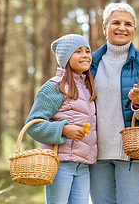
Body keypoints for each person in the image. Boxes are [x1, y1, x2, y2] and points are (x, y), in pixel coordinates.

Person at [89, 2, 139, 204]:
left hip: (135, 153)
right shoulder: (90, 63)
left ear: (134, 30)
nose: (122, 28)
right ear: (105, 28)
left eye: (128, 23)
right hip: (97, 154)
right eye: (116, 22)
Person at [25, 34, 97, 204]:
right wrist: (63, 129)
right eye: (78, 51)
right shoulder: (55, 87)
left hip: (83, 165)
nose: (85, 55)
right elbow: (32, 125)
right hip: (60, 164)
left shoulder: (88, 88)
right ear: (66, 58)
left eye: (87, 51)